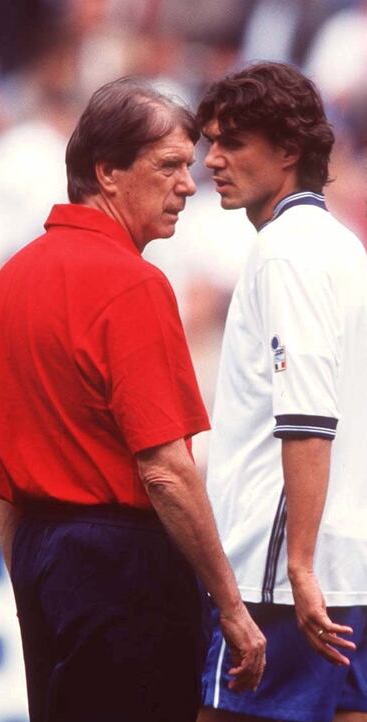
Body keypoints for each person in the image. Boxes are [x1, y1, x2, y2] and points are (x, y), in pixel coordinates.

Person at [0, 78, 265, 722]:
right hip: (124, 567)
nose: (188, 186)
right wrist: (230, 605)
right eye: (168, 166)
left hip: (42, 559)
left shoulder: (11, 278)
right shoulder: (134, 284)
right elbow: (166, 468)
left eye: (189, 167)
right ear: (107, 172)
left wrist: (29, 582)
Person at [197, 62, 367, 722]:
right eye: (211, 142)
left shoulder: (287, 251)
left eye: (233, 142)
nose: (213, 160)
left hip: (281, 570)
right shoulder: (344, 245)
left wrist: (296, 564)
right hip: (345, 563)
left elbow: (308, 415)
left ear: (290, 150)